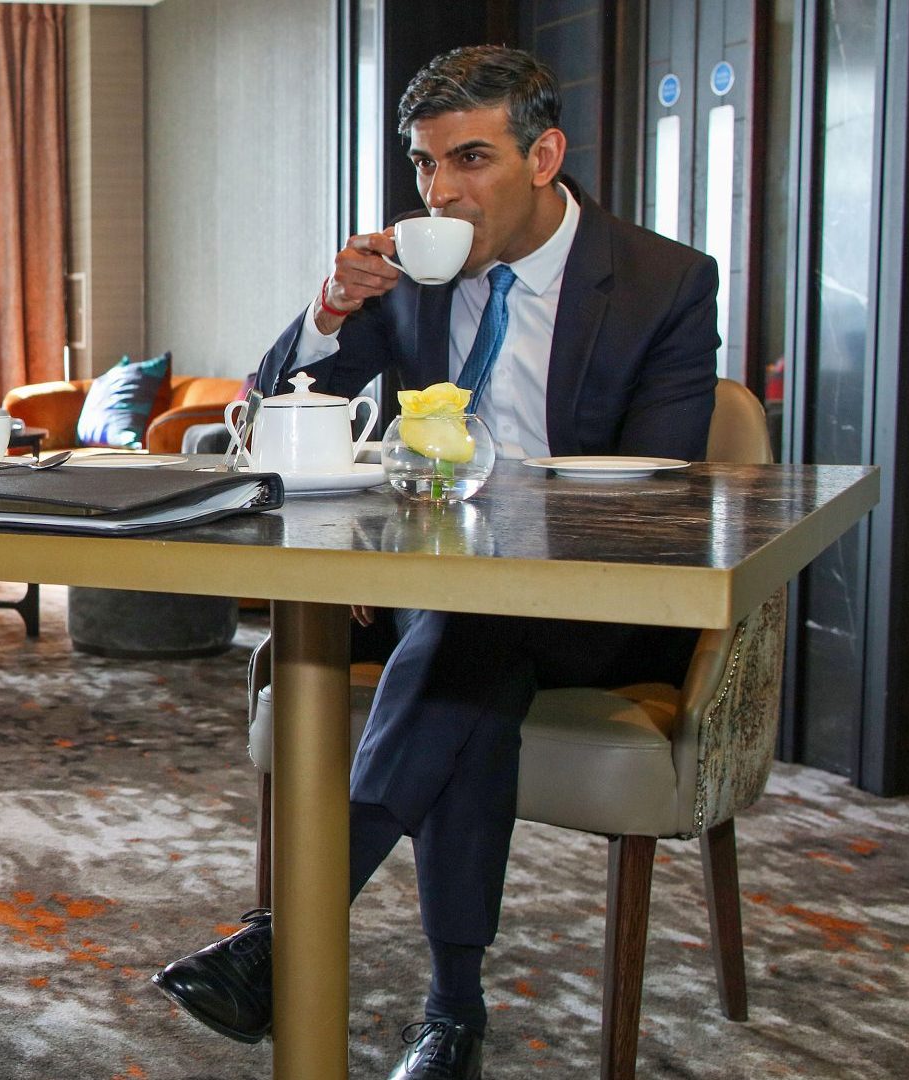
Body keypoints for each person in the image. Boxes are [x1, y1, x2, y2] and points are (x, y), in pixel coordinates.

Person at [152, 45, 718, 1080]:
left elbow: (662, 489)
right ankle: (451, 1013)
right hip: (442, 605)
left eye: (471, 160)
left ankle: (296, 937)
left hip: (602, 612)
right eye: (424, 166)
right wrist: (330, 306)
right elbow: (280, 403)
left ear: (544, 156)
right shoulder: (412, 276)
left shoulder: (662, 283)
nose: (441, 191)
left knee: (467, 637)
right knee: (468, 662)